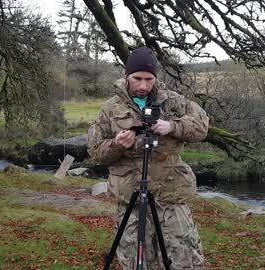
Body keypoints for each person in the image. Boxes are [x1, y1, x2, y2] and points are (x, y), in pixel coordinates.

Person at [87, 47, 208, 269]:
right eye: (137, 78)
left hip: (171, 196)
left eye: (149, 79)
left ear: (156, 78)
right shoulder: (110, 109)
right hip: (130, 197)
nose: (143, 85)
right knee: (135, 263)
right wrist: (116, 145)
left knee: (185, 262)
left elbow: (202, 126)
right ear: (127, 76)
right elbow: (95, 151)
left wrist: (172, 126)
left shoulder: (173, 101)